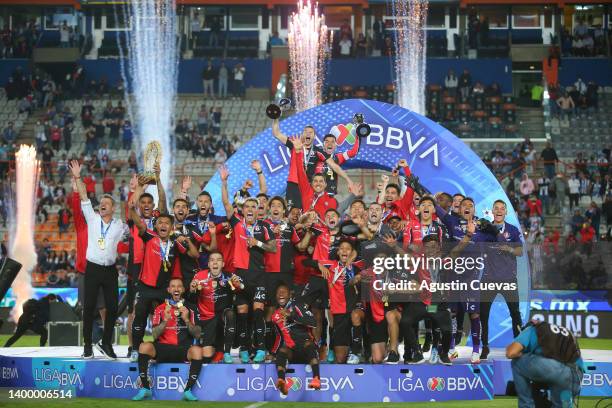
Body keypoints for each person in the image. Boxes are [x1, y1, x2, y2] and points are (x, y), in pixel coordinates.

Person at [69, 160, 128, 359]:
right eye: (101, 203)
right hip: (92, 268)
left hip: (110, 270)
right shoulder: (92, 219)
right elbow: (84, 197)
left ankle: (105, 343)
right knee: (89, 308)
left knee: (112, 308)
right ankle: (87, 345)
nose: (102, 205)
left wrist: (136, 191)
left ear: (112, 209)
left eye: (107, 204)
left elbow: (132, 227)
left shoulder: (119, 225)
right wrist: (78, 177)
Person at [132, 278, 203, 401]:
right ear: (169, 290)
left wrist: (186, 319)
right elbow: (154, 335)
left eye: (179, 286)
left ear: (183, 290)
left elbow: (197, 334)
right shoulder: (160, 309)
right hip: (163, 348)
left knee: (197, 351)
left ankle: (188, 390)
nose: (176, 289)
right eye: (173, 286)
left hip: (183, 348)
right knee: (144, 347)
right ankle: (145, 388)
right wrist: (165, 320)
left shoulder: (191, 308)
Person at [479, 200, 523, 360]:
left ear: (506, 212)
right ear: (492, 211)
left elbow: (520, 251)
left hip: (508, 279)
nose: (498, 211)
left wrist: (509, 248)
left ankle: (518, 347)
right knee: (483, 314)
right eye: (496, 208)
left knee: (515, 314)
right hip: (489, 279)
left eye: (501, 209)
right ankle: (484, 346)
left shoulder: (512, 229)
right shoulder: (484, 229)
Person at [506, 320, 584, 408]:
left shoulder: (531, 329)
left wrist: (522, 353)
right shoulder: (561, 331)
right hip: (576, 377)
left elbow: (511, 353)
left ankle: (526, 405)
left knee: (517, 362)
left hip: (553, 370)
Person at [271, 284, 321, 394]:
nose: (281, 294)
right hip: (292, 351)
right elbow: (279, 337)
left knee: (308, 344)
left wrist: (292, 315)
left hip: (305, 349)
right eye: (278, 292)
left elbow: (312, 323)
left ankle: (316, 378)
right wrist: (273, 352)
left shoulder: (298, 306)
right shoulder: (275, 316)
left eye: (284, 292)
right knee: (283, 350)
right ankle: (281, 380)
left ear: (290, 295)